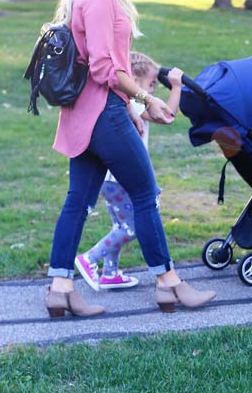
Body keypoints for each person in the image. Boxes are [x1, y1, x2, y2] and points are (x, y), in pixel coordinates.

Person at [45, 0, 215, 318]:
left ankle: (61, 288)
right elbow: (106, 69)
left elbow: (97, 68)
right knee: (146, 195)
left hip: (83, 115)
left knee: (77, 201)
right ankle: (169, 284)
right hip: (104, 115)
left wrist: (137, 104)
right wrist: (147, 99)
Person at [74, 51, 178, 292]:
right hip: (122, 179)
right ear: (135, 80)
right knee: (130, 228)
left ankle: (110, 273)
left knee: (120, 225)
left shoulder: (124, 100)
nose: (152, 90)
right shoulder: (133, 101)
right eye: (151, 84)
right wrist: (176, 88)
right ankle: (89, 258)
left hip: (111, 179)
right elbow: (167, 116)